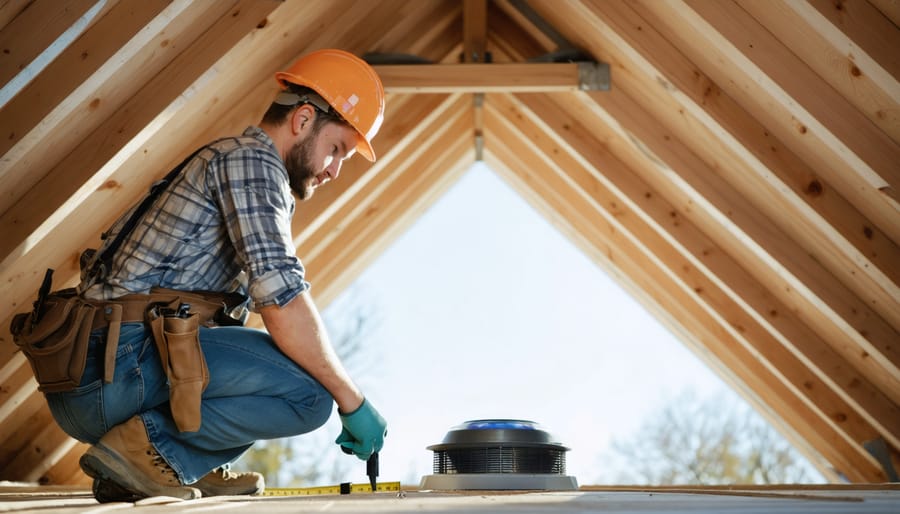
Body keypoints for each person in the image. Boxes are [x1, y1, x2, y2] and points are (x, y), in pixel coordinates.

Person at [45, 49, 388, 502]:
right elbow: (282, 300)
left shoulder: (230, 160)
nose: (335, 170)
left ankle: (177, 462)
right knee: (308, 393)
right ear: (303, 120)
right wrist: (353, 401)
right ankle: (149, 449)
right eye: (336, 149)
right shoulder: (253, 164)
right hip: (115, 368)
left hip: (96, 374)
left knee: (263, 356)